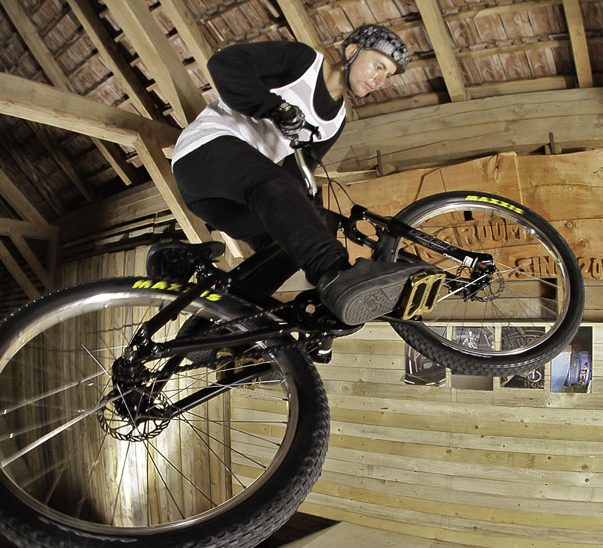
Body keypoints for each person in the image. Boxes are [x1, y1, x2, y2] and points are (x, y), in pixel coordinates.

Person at [169, 25, 428, 326]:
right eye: (378, 66)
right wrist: (276, 108)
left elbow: (296, 176)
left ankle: (218, 325)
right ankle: (336, 277)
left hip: (226, 198)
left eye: (387, 76)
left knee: (289, 243)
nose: (379, 81)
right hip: (203, 153)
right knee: (274, 187)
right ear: (351, 50)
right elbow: (225, 64)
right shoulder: (304, 63)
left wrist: (314, 215)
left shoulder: (335, 122)